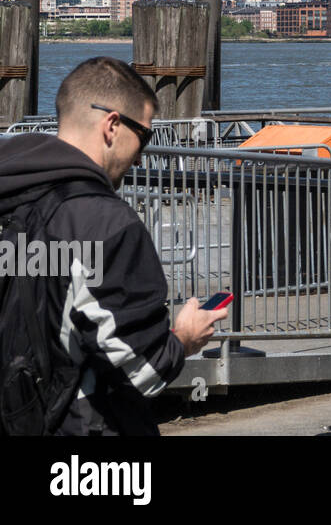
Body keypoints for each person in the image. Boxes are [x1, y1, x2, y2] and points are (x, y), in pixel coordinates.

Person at [0, 57, 226, 435]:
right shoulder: (106, 224)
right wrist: (184, 339)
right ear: (113, 125)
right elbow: (143, 369)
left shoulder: (13, 195)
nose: (140, 158)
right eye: (145, 136)